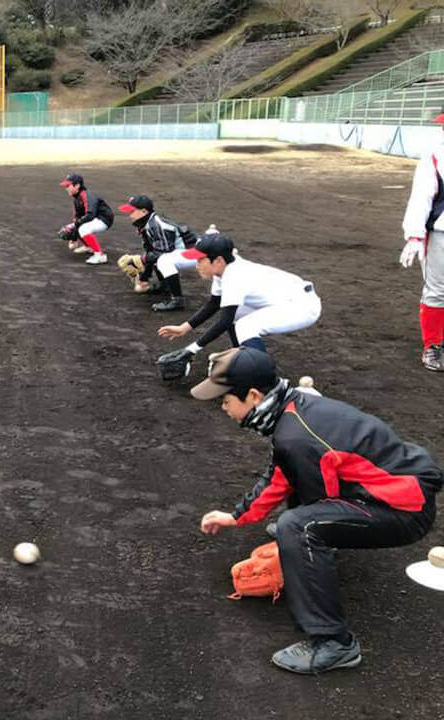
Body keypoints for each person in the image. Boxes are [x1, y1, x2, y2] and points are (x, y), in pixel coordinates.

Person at [194, 346, 440, 674]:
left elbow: (316, 504)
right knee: (296, 520)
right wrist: (239, 515)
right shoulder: (294, 408)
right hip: (394, 490)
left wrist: (293, 552)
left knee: (298, 528)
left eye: (225, 400)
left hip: (405, 510)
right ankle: (314, 553)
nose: (222, 407)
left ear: (253, 396)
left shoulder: (295, 436)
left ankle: (334, 643)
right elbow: (282, 472)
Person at [157, 233, 321, 371]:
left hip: (302, 306)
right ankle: (244, 359)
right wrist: (184, 328)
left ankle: (262, 377)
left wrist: (191, 350)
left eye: (200, 260)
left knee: (246, 325)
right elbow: (214, 303)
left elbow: (224, 321)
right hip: (286, 300)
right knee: (237, 314)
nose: (197, 265)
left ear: (218, 261)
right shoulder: (224, 269)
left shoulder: (235, 275)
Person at [400, 110, 444, 372]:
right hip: (441, 232)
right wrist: (415, 234)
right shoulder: (435, 154)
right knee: (438, 291)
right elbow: (422, 197)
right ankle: (433, 346)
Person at [118, 194, 200, 311]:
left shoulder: (157, 226)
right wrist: (144, 278)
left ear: (143, 211)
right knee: (156, 256)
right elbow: (151, 251)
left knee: (164, 260)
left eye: (132, 211)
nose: (129, 214)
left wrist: (141, 260)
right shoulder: (145, 225)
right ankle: (164, 285)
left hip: (198, 253)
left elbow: (163, 253)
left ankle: (177, 300)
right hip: (184, 252)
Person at [59, 172, 114, 265]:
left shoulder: (87, 196)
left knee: (83, 228)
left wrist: (75, 225)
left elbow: (90, 214)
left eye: (68, 186)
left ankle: (100, 255)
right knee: (78, 225)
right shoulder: (76, 198)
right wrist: (74, 237)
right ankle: (89, 247)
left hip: (104, 219)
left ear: (77, 186)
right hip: (95, 218)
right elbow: (78, 217)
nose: (66, 188)